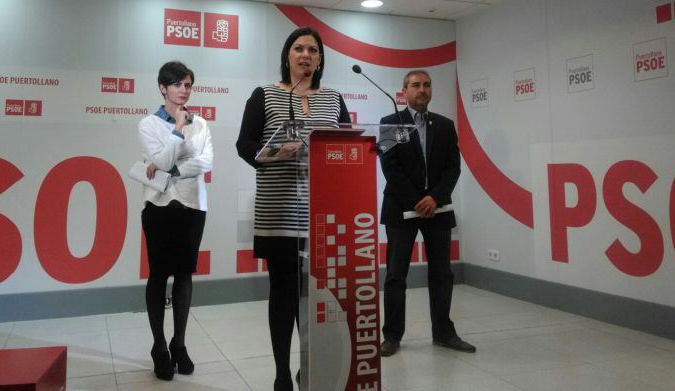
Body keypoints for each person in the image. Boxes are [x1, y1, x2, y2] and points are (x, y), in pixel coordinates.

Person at [236, 27, 350, 391]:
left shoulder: (333, 98)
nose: (305, 55)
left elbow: (347, 143)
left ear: (320, 60)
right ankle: (282, 374)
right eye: (298, 49)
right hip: (279, 211)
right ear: (287, 56)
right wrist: (272, 154)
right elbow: (245, 144)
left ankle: (311, 366)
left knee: (317, 297)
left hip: (323, 214)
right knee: (283, 295)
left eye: (312, 51)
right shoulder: (266, 95)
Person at [378, 70, 475, 357]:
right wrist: (417, 200)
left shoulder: (444, 125)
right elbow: (389, 168)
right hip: (400, 209)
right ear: (404, 91)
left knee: (442, 273)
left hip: (438, 209)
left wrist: (434, 197)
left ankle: (444, 333)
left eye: (427, 85)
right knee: (396, 275)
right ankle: (392, 336)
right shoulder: (389, 124)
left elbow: (452, 167)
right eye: (415, 85)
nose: (422, 89)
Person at [138, 61, 213, 380]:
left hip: (193, 205)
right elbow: (163, 159)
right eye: (178, 84)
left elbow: (206, 161)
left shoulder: (203, 123)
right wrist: (178, 129)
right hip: (158, 206)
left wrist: (175, 168)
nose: (184, 90)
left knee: (185, 274)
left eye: (187, 85)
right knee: (158, 275)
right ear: (162, 88)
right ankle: (159, 347)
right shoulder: (148, 124)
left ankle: (179, 344)